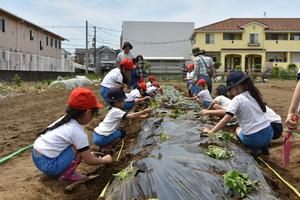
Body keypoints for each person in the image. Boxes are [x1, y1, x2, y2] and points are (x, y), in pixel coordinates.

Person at [32, 87, 112, 181]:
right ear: (88, 112)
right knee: (78, 148)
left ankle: (57, 168)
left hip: (36, 156)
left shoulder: (64, 119)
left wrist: (88, 154)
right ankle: (67, 175)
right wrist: (105, 160)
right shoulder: (77, 132)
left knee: (79, 146)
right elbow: (89, 160)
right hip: (49, 165)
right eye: (93, 114)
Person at [202, 70, 273, 156]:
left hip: (254, 139)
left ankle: (254, 148)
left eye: (230, 89)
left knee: (238, 130)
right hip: (269, 134)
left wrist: (211, 132)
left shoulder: (237, 99)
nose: (230, 92)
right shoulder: (253, 94)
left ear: (237, 86)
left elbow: (226, 119)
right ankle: (262, 146)